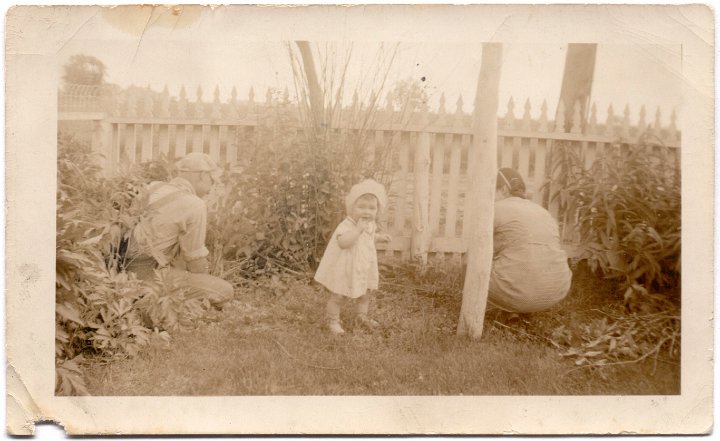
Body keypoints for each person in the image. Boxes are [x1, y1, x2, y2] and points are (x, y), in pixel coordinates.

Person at [125, 152, 233, 309]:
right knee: (224, 290)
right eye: (212, 181)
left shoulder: (154, 186)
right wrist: (205, 283)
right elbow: (195, 262)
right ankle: (148, 305)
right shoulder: (195, 204)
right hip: (146, 273)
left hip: (119, 268)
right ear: (203, 175)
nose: (211, 188)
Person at [487, 167, 572, 313]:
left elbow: (479, 252)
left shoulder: (495, 209)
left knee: (471, 261)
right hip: (557, 289)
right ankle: (521, 309)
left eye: (491, 192)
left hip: (517, 295)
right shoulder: (542, 211)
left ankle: (475, 310)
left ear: (503, 190)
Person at [314, 179, 392, 335]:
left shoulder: (369, 225)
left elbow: (367, 238)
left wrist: (378, 237)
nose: (366, 212)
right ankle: (333, 321)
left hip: (362, 266)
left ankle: (361, 317)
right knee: (338, 295)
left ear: (378, 210)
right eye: (361, 207)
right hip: (345, 268)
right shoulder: (346, 225)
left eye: (372, 208)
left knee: (365, 294)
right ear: (351, 208)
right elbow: (343, 242)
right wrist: (357, 230)